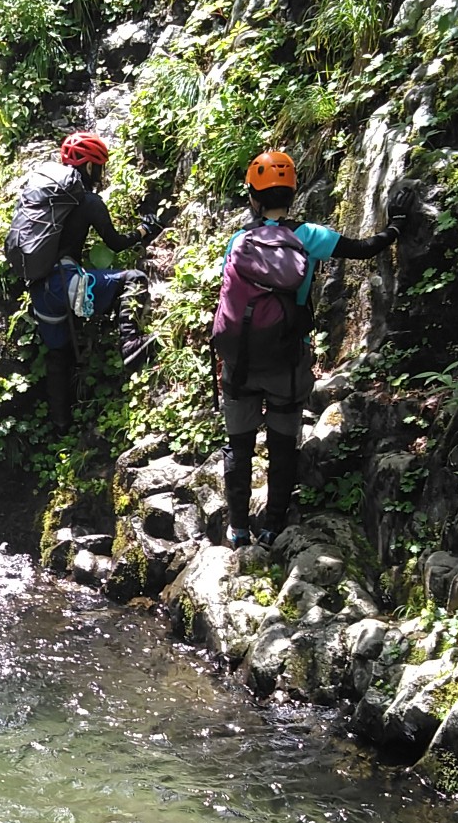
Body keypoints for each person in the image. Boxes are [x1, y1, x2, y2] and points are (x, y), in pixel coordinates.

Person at [212, 149, 399, 548]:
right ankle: (272, 527)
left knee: (238, 444)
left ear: (253, 198)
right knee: (282, 442)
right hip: (287, 360)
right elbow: (365, 248)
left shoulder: (239, 240)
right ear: (292, 195)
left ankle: (238, 529)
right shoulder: (308, 236)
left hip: (240, 361)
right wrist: (395, 229)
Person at [27, 132, 167, 429]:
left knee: (57, 354)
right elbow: (115, 243)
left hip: (40, 288)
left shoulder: (47, 200)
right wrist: (144, 231)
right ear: (90, 167)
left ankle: (60, 425)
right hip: (66, 281)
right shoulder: (89, 201)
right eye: (100, 167)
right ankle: (131, 344)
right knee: (134, 279)